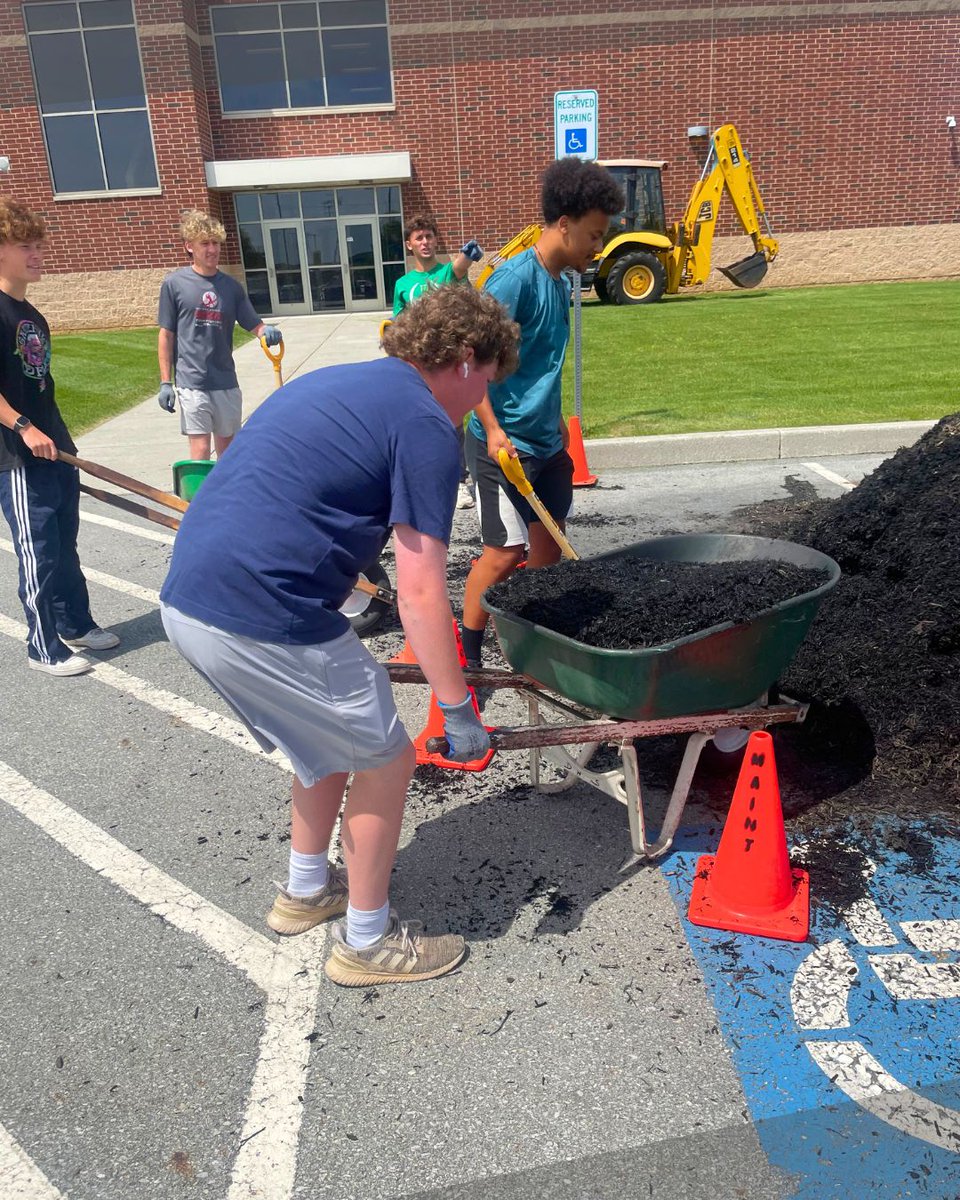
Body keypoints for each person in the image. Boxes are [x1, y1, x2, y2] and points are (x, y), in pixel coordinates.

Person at [159, 285, 519, 987]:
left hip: (190, 600)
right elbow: (418, 591)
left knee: (320, 738)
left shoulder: (346, 382)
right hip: (260, 614)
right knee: (385, 758)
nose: (479, 406)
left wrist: (343, 570)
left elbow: (305, 496)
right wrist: (454, 708)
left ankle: (303, 890)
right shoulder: (423, 424)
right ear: (467, 359)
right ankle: (367, 941)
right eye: (487, 386)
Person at [460, 159, 624, 670]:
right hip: (499, 444)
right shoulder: (514, 281)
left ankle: (534, 639)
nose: (597, 247)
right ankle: (467, 654)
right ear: (563, 224)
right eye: (594, 235)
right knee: (505, 553)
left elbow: (541, 363)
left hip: (546, 443)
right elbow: (469, 360)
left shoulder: (559, 281)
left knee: (549, 547)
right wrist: (491, 429)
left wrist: (554, 419)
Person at [0, 199, 120, 677]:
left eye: (38, 245)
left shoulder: (30, 312)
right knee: (39, 550)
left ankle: (75, 624)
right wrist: (23, 427)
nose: (38, 255)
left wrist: (60, 439)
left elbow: (38, 383)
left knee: (64, 542)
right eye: (25, 246)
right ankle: (41, 645)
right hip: (16, 456)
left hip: (55, 449)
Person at [157, 209, 281, 461]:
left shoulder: (231, 287)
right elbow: (166, 335)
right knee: (201, 451)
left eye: (215, 243)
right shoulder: (175, 284)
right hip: (193, 382)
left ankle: (227, 499)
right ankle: (199, 500)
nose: (212, 249)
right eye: (205, 243)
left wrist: (265, 332)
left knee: (228, 452)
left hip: (225, 380)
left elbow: (253, 324)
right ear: (189, 246)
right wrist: (165, 382)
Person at [393, 214, 484, 510]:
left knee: (454, 419)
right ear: (410, 245)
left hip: (450, 356)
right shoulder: (403, 284)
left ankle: (458, 482)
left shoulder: (446, 273)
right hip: (419, 362)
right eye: (419, 238)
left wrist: (466, 258)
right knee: (423, 419)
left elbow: (457, 271)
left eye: (429, 236)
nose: (425, 242)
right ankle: (429, 477)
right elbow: (398, 322)